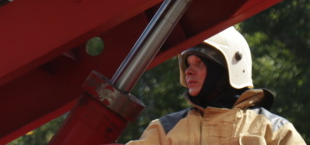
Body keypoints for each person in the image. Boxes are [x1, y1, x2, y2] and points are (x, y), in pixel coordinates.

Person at [128, 26, 306, 144]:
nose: (189, 71)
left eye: (199, 63)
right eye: (187, 64)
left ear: (225, 69)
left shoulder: (276, 130)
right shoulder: (163, 130)